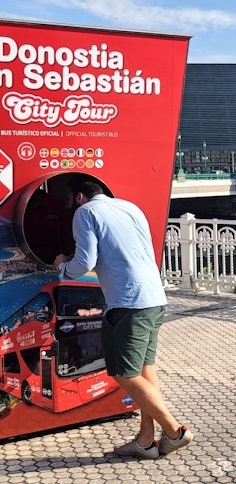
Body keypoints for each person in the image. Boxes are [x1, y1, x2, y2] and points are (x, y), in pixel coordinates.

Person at [54, 180, 193, 460]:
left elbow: (85, 261)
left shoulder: (85, 213)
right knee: (144, 369)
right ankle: (144, 441)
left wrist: (61, 265)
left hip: (128, 302)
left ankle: (175, 432)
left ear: (80, 196)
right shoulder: (130, 207)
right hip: (154, 297)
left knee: (123, 373)